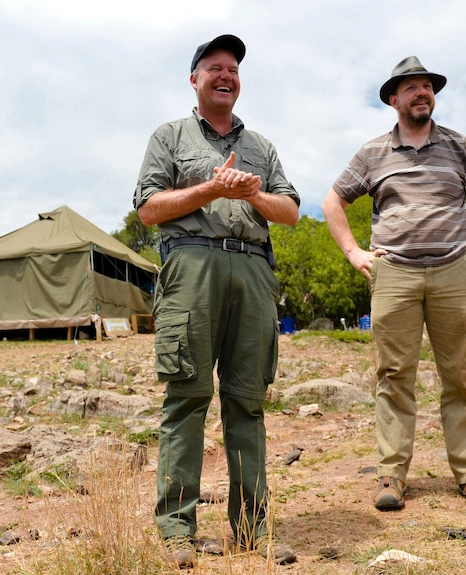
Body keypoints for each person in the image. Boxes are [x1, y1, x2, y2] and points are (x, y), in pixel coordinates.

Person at [134, 34, 299, 569]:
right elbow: (148, 209)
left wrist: (251, 194)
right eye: (214, 69)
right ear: (195, 79)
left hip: (253, 270)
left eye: (232, 69)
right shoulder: (170, 136)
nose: (225, 76)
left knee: (247, 401)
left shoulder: (262, 147)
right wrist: (210, 189)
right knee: (186, 396)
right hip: (191, 268)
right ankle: (176, 532)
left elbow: (291, 211)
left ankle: (251, 532)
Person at [322, 56, 466, 514]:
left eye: (427, 86)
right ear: (394, 99)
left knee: (460, 378)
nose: (422, 92)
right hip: (395, 274)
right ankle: (392, 475)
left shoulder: (459, 146)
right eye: (412, 87)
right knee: (393, 377)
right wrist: (355, 253)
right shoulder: (372, 153)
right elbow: (333, 201)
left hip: (454, 272)